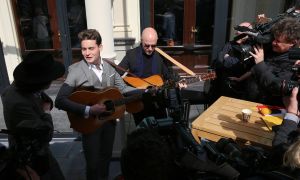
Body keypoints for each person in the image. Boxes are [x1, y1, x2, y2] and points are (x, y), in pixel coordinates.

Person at [55, 29, 141, 180]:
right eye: (84, 49)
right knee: (93, 165)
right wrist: (89, 109)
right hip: (89, 124)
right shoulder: (75, 71)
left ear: (100, 47)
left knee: (105, 159)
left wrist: (144, 90)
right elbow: (60, 100)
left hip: (109, 121)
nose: (87, 53)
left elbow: (123, 89)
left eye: (91, 48)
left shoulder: (110, 67)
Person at [1, 51, 65, 179]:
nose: (52, 81)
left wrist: (44, 99)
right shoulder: (17, 102)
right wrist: (46, 111)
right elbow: (46, 134)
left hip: (40, 152)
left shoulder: (27, 87)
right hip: (30, 158)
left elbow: (38, 94)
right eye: (49, 78)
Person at [117, 27, 175, 125]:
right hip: (138, 101)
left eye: (153, 46)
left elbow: (168, 76)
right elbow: (117, 74)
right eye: (147, 45)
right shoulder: (131, 55)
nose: (150, 49)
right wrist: (125, 90)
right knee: (142, 130)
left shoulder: (161, 56)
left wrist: (176, 84)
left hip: (157, 101)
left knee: (160, 129)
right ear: (141, 40)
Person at [250, 17, 300, 106]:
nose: (273, 43)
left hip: (269, 109)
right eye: (273, 39)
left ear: (292, 42)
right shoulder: (271, 48)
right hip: (250, 101)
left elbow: (277, 86)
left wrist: (260, 64)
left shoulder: (295, 61)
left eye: (278, 41)